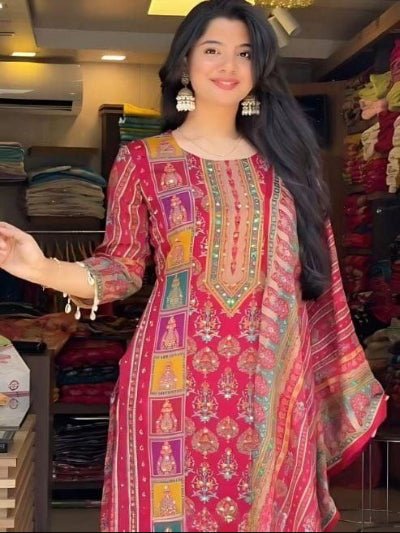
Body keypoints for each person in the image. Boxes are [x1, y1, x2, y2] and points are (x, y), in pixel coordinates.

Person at [0, 0, 387, 531]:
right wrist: (43, 269)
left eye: (245, 53)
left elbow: (319, 281)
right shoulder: (142, 161)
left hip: (272, 382)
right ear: (185, 62)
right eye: (212, 50)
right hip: (171, 381)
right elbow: (122, 267)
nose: (229, 65)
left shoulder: (290, 164)